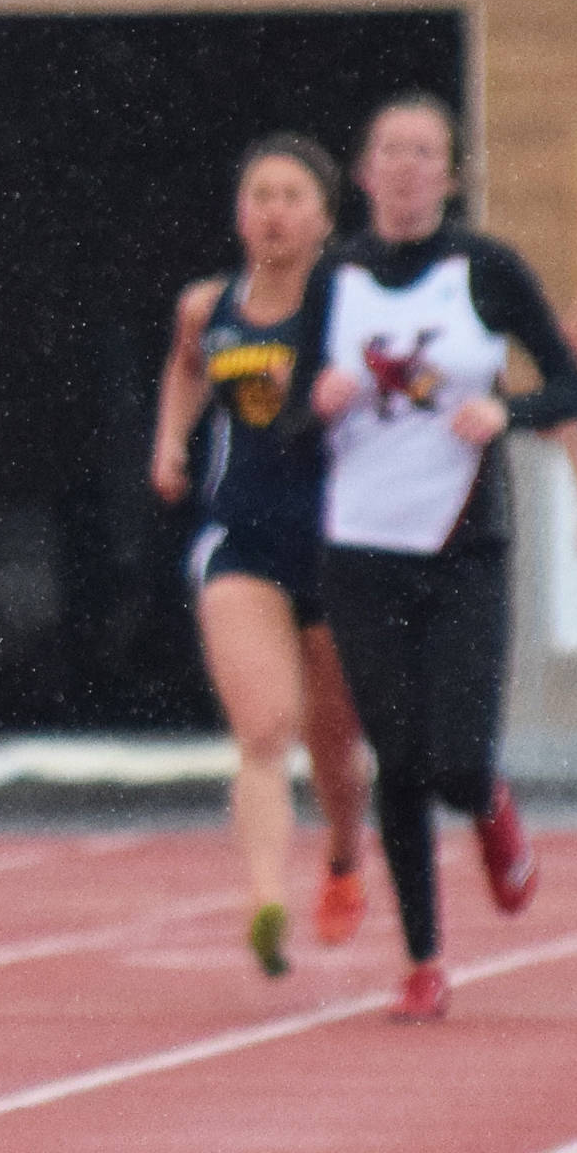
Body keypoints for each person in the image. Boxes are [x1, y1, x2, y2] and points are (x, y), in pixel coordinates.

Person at [287, 94, 577, 1021]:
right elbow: (289, 423)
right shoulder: (333, 275)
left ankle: (491, 805)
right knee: (401, 760)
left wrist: (508, 412)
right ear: (366, 173)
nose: (410, 167)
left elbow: (573, 382)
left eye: (427, 152)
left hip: (464, 544)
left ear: (451, 175)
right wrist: (322, 402)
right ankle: (423, 959)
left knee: (458, 757)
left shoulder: (486, 269)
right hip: (361, 546)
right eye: (392, 151)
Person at [151, 136, 368, 977]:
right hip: (241, 537)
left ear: (322, 218)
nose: (273, 212)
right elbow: (185, 370)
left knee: (335, 743)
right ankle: (266, 897)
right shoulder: (209, 306)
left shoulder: (348, 304)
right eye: (259, 196)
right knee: (263, 728)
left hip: (339, 540)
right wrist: (170, 442)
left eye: (291, 197)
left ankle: (346, 857)